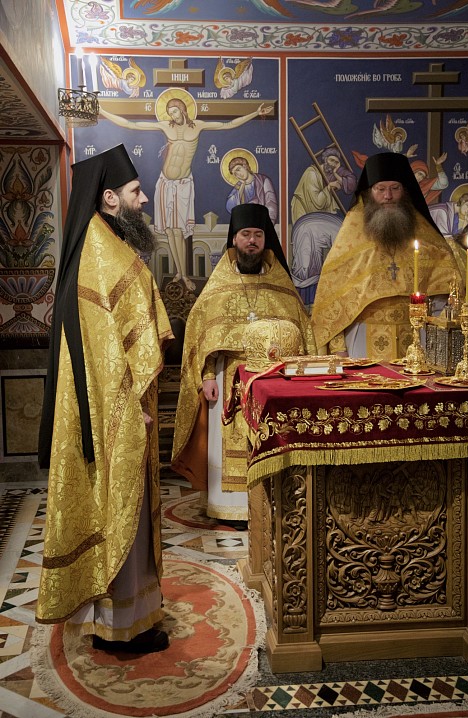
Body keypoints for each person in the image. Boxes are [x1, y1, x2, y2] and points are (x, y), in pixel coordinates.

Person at [36, 145, 174, 654]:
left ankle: (125, 618)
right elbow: (106, 350)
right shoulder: (103, 252)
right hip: (118, 409)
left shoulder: (101, 243)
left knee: (119, 509)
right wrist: (131, 406)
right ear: (110, 197)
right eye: (137, 192)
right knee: (121, 512)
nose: (144, 199)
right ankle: (122, 630)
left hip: (111, 404)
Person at [171, 203, 316, 526]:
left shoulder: (281, 283)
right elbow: (202, 336)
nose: (252, 241)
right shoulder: (219, 284)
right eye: (245, 234)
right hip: (228, 379)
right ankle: (230, 507)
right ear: (234, 239)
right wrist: (207, 376)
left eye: (258, 235)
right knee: (229, 442)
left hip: (275, 379)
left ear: (266, 239)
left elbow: (303, 333)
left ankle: (272, 502)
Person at [100, 96, 273, 292]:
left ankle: (184, 274)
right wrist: (103, 112)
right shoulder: (166, 126)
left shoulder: (197, 126)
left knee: (180, 232)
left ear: (182, 109)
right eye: (169, 113)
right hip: (165, 183)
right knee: (170, 231)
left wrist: (255, 113)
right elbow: (131, 124)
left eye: (174, 111)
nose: (172, 116)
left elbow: (228, 124)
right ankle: (180, 273)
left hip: (183, 185)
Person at [311, 152, 467, 361]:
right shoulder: (351, 236)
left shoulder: (427, 237)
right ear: (369, 192)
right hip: (362, 339)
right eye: (381, 189)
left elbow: (447, 293)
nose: (388, 196)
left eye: (395, 188)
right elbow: (332, 300)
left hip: (417, 339)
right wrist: (339, 348)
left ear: (405, 190)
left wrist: (439, 336)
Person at [291, 149, 356, 224]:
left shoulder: (328, 174)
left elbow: (351, 182)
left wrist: (335, 174)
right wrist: (329, 187)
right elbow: (318, 203)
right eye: (331, 160)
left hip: (313, 215)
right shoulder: (312, 174)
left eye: (336, 162)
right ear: (325, 159)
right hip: (303, 212)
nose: (333, 164)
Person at [225, 155, 278, 223]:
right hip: (246, 223)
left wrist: (270, 223)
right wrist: (241, 189)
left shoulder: (262, 180)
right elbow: (230, 206)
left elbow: (271, 202)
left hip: (262, 220)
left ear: (245, 166)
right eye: (235, 173)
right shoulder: (238, 186)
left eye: (238, 169)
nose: (238, 174)